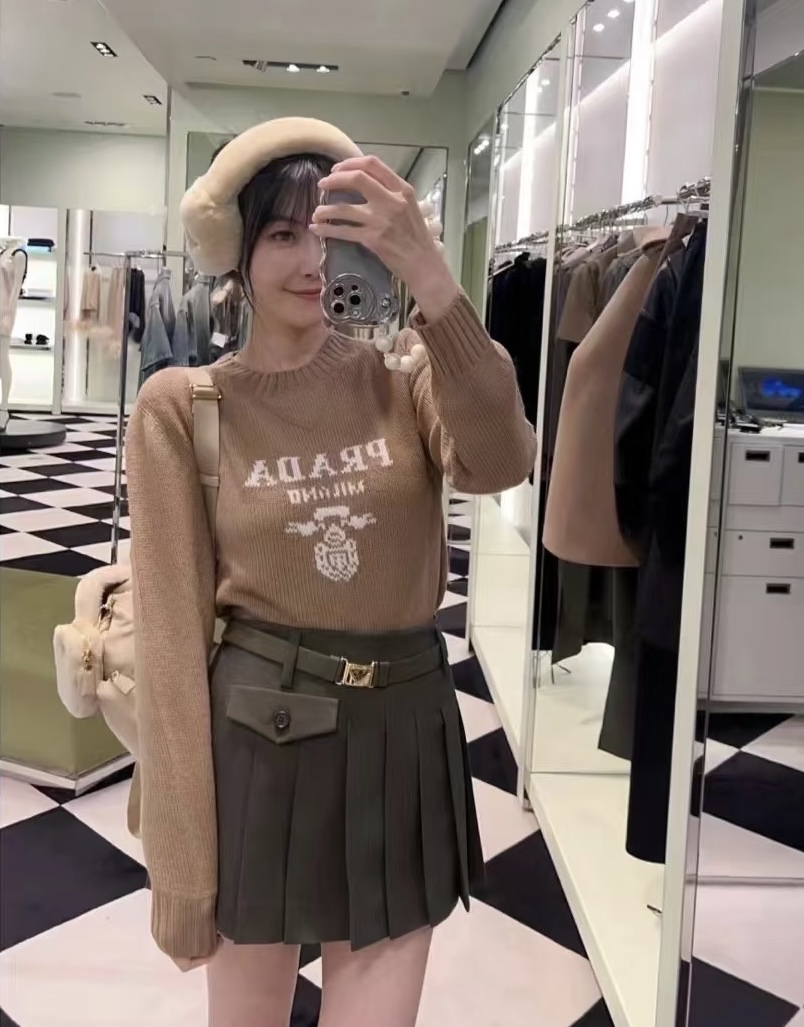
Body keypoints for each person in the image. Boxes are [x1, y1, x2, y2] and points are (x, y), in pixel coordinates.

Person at [126, 117, 537, 1027]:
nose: (312, 260)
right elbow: (169, 646)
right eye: (283, 234)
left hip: (404, 733)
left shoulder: (407, 377)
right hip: (258, 739)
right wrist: (182, 865)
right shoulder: (185, 407)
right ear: (237, 254)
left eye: (330, 233)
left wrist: (433, 279)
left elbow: (505, 458)